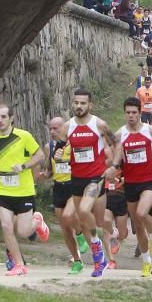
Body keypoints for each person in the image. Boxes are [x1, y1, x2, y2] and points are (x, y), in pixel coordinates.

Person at [0, 103, 49, 276]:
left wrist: (25, 165)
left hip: (23, 191)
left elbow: (40, 155)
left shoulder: (23, 136)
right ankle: (19, 264)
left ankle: (38, 221)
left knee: (23, 231)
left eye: (4, 117)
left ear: (11, 118)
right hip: (2, 190)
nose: (0, 120)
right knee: (6, 226)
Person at [109, 97, 152, 277]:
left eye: (134, 112)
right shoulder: (120, 134)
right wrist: (114, 166)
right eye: (128, 113)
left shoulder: (149, 130)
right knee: (138, 227)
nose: (131, 116)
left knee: (141, 213)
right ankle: (147, 262)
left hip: (149, 180)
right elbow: (111, 151)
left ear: (139, 113)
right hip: (130, 183)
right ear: (124, 113)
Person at [61, 88, 117, 277]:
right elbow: (59, 150)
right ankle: (99, 261)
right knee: (88, 222)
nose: (79, 106)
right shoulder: (67, 126)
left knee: (84, 211)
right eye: (76, 102)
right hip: (76, 178)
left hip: (96, 178)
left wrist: (114, 167)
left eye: (83, 103)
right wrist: (59, 155)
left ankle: (96, 246)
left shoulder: (99, 124)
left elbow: (117, 144)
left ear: (90, 105)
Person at [44, 116, 88, 274]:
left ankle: (82, 234)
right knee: (64, 227)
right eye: (50, 128)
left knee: (68, 216)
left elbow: (83, 163)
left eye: (56, 128)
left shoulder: (74, 144)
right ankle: (77, 260)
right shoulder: (49, 146)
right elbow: (49, 170)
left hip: (73, 185)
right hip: (58, 187)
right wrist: (43, 174)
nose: (52, 131)